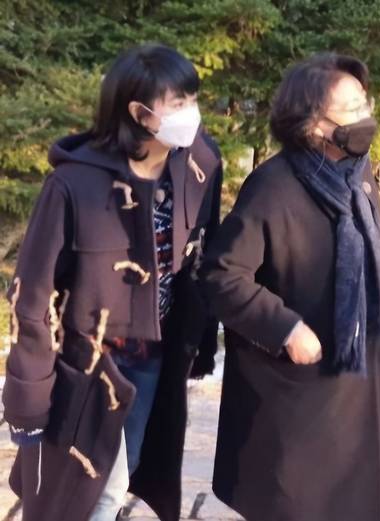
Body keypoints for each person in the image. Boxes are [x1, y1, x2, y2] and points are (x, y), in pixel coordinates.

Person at [2, 43, 223, 521]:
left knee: (127, 469)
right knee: (93, 488)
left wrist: (200, 343)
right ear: (140, 114)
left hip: (155, 354)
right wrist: (28, 399)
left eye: (192, 98)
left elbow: (201, 258)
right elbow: (33, 294)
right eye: (178, 103)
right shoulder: (74, 185)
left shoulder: (199, 164)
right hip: (89, 362)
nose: (192, 113)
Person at [198, 53, 380, 521]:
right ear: (313, 124)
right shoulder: (273, 187)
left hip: (362, 382)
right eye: (350, 109)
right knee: (298, 505)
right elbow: (222, 275)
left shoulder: (357, 173)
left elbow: (373, 244)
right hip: (297, 393)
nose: (364, 117)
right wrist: (286, 329)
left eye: (364, 104)